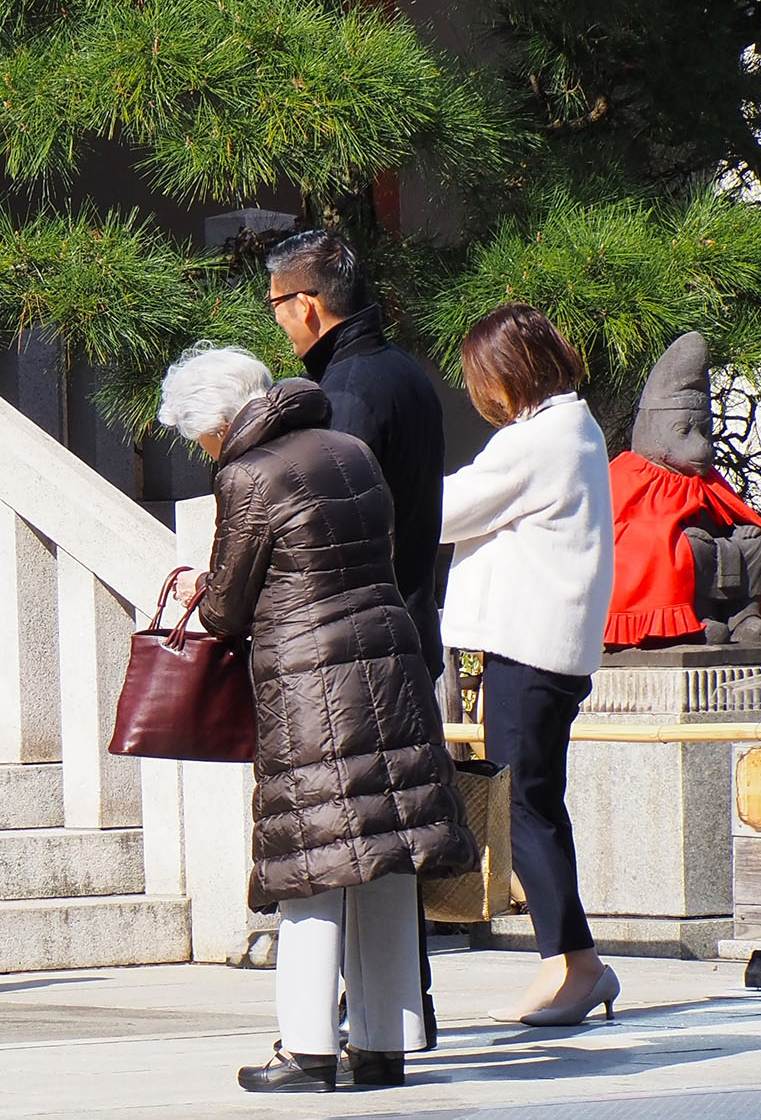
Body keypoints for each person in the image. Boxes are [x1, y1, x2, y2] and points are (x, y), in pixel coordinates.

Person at [161, 347, 476, 1094]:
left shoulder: (246, 475)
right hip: (388, 660)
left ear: (217, 419)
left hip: (310, 683)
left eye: (196, 433)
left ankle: (305, 1047)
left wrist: (203, 591)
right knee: (383, 852)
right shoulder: (350, 449)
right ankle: (382, 1043)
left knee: (311, 861)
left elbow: (227, 607)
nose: (202, 447)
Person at [265, 229, 447, 1047]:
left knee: (351, 837)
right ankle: (400, 1010)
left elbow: (329, 531)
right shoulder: (406, 372)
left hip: (353, 647)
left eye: (276, 307)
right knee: (392, 829)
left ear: (306, 304)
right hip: (409, 623)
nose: (278, 324)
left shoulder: (342, 392)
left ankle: (357, 1015)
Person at [439, 303, 619, 1026]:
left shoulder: (536, 440)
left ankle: (570, 965)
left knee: (526, 805)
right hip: (545, 648)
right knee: (534, 802)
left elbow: (447, 508)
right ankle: (576, 962)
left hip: (528, 647)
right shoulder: (570, 428)